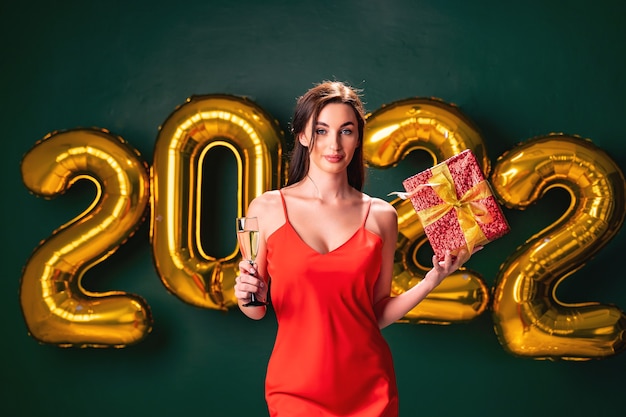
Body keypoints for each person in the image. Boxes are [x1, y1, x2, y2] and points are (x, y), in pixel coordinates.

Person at [234, 80, 475, 416]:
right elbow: (255, 308)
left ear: (357, 138)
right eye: (321, 130)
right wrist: (246, 291)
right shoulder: (266, 209)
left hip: (369, 389)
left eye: (346, 131)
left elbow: (375, 312)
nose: (334, 143)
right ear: (302, 135)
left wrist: (433, 278)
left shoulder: (381, 216)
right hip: (294, 388)